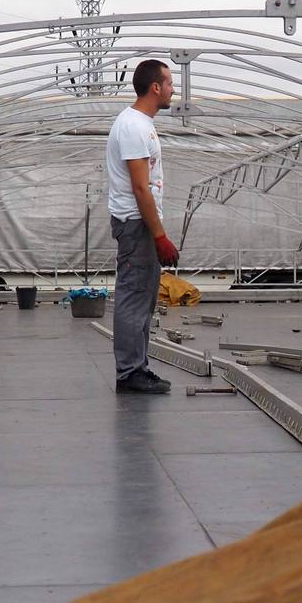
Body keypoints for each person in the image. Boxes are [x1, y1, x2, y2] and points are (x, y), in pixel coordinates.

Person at [105, 58, 180, 395]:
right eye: (169, 83)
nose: (172, 89)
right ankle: (129, 372)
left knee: (143, 297)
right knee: (134, 296)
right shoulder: (133, 126)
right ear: (155, 87)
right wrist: (160, 235)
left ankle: (138, 366)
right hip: (136, 226)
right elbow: (140, 188)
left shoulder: (140, 123)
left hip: (140, 225)